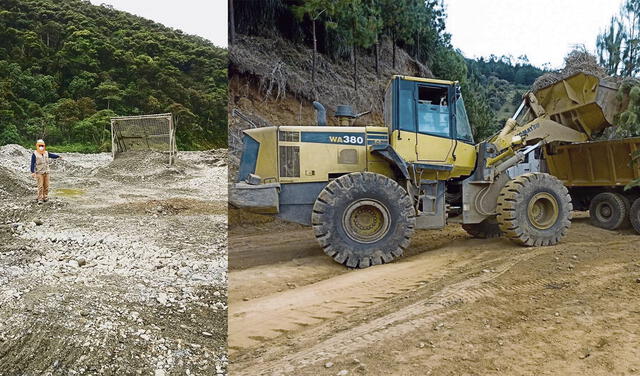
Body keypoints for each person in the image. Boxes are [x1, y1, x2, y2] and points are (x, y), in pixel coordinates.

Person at [30, 139, 62, 204]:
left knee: (46, 185)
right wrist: (32, 172)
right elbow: (32, 163)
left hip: (46, 172)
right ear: (37, 146)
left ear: (44, 146)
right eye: (39, 145)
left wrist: (58, 156)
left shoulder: (46, 153)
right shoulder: (34, 154)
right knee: (40, 186)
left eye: (42, 145)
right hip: (39, 172)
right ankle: (40, 198)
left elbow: (52, 155)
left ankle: (45, 197)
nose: (41, 147)